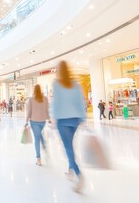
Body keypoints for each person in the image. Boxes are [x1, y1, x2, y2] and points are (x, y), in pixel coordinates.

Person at [52, 61, 86, 193]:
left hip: (62, 120)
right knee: (70, 145)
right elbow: (80, 101)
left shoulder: (57, 84)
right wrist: (82, 118)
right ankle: (70, 170)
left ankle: (79, 174)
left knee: (67, 148)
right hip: (75, 120)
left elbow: (56, 103)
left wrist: (54, 118)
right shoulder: (76, 84)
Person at [26, 84, 50, 166]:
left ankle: (38, 159)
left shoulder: (31, 99)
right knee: (39, 135)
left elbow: (29, 111)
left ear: (34, 90)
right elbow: (47, 110)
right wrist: (49, 119)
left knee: (37, 138)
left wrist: (26, 121)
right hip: (43, 121)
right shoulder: (45, 99)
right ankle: (44, 147)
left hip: (34, 121)